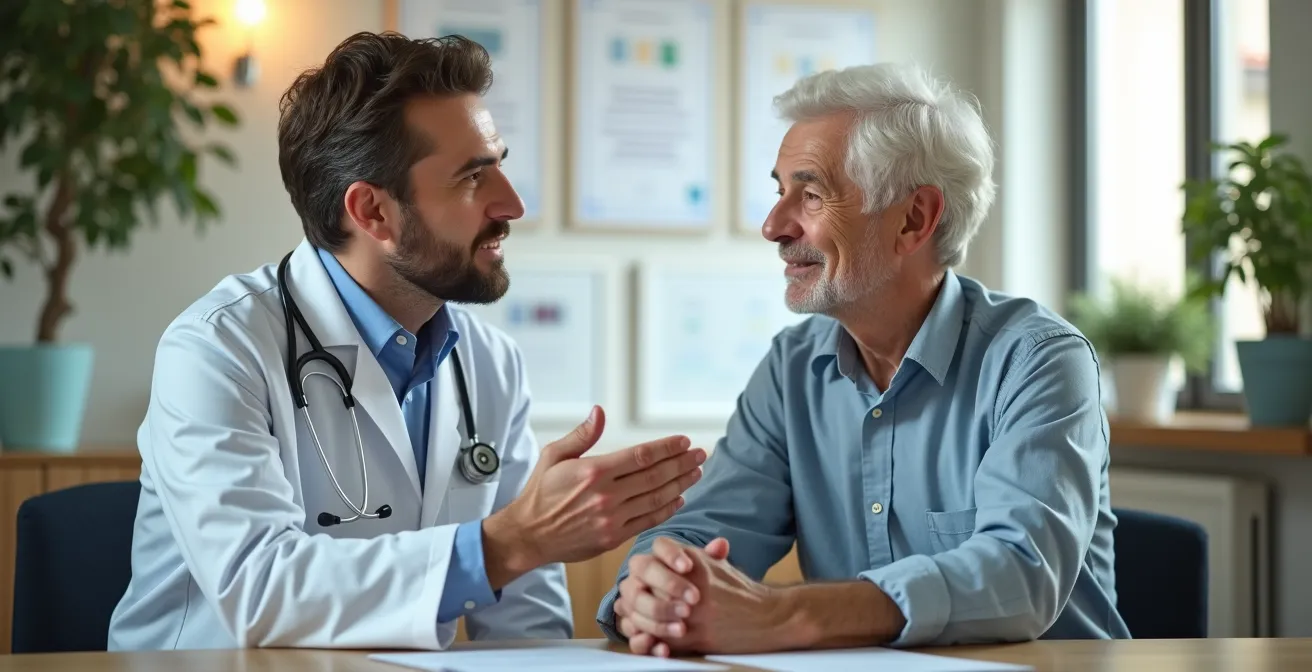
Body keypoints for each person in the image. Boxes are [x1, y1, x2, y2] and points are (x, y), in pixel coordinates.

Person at [107, 32, 706, 651]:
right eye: (475, 178)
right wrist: (514, 540)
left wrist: (530, 550)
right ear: (372, 213)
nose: (514, 204)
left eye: (500, 162)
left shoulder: (489, 362)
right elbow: (260, 592)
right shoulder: (216, 350)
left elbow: (527, 627)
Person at [597, 62, 1132, 657]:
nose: (773, 225)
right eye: (779, 192)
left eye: (812, 194)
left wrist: (783, 615)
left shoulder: (1038, 361)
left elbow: (1019, 575)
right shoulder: (792, 367)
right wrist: (652, 586)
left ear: (913, 219)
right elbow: (707, 528)